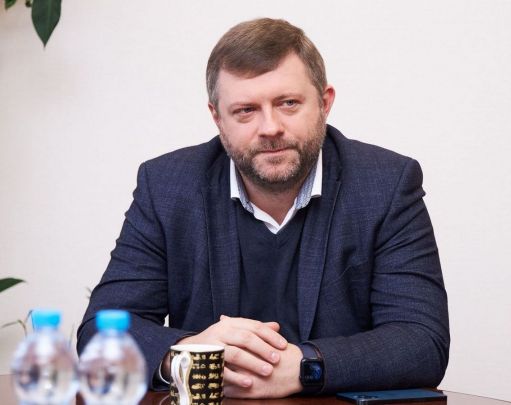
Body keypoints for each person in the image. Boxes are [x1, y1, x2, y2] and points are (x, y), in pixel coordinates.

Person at [77, 18, 450, 399]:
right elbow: (99, 333)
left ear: (324, 103)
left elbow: (422, 341)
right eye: (245, 110)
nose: (270, 127)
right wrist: (190, 355)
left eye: (288, 103)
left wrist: (305, 366)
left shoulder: (386, 185)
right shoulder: (167, 186)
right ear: (217, 118)